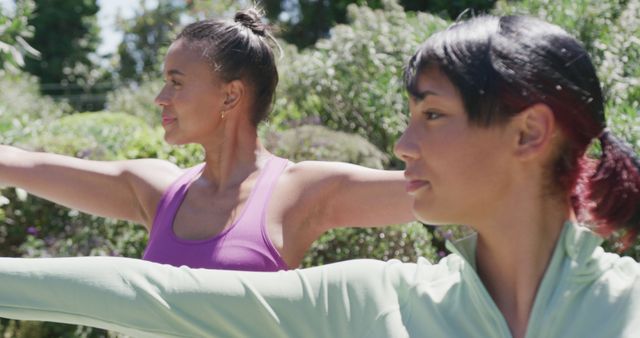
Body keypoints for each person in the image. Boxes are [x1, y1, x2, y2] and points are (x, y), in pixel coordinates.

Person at [1, 14, 640, 338]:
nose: (402, 144)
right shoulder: (373, 300)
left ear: (527, 133)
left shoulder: (628, 307)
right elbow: (145, 291)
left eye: (434, 115)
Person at [0, 8, 414, 271]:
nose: (161, 98)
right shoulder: (159, 190)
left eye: (176, 83)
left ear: (230, 95)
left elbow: (444, 190)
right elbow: (21, 165)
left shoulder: (300, 191)